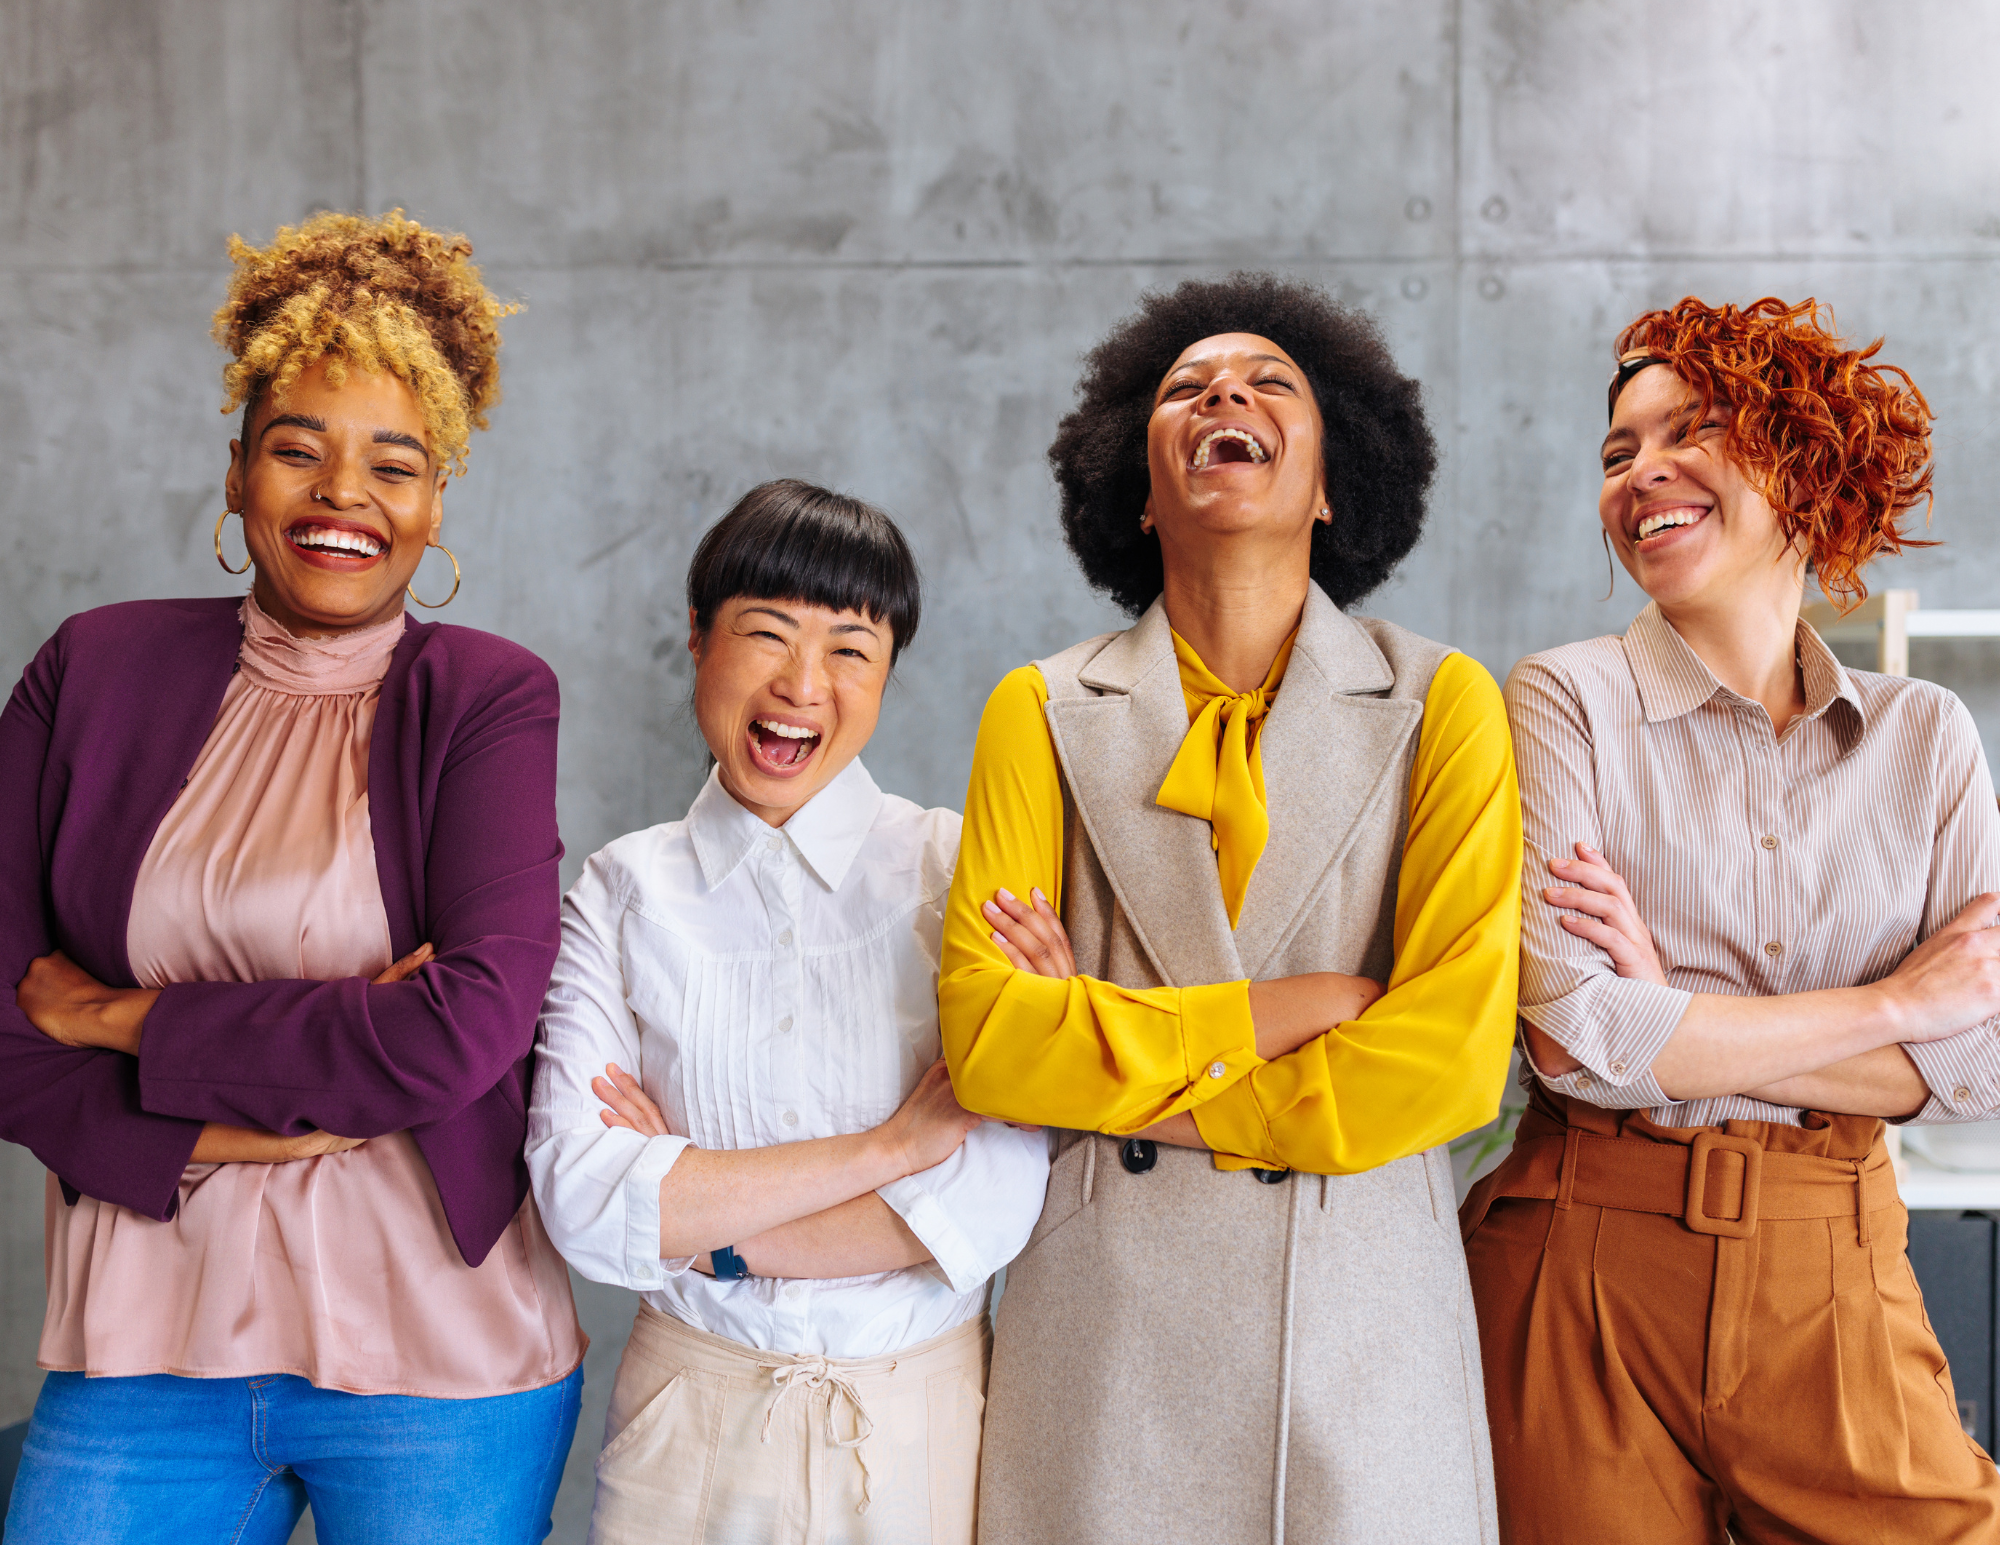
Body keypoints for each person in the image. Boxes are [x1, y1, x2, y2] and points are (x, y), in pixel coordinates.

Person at [0, 211, 584, 1543]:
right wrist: (269, 1115)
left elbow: (463, 1034)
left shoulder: (488, 699)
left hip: (440, 1355)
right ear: (236, 471)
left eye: (395, 463)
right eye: (297, 450)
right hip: (140, 1346)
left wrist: (120, 1017)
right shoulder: (87, 671)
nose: (343, 499)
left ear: (437, 499)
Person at [938, 273, 1522, 1545]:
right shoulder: (1035, 711)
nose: (1223, 394)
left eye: (1269, 382)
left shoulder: (1443, 705)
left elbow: (1452, 1060)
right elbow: (988, 1044)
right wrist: (1292, 1011)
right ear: (1137, 493)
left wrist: (1107, 1043)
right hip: (1105, 1337)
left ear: (1329, 483)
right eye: (1184, 386)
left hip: (1363, 1323)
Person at [1462, 296, 2000, 1543]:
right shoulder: (1562, 698)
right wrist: (1890, 1009)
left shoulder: (1924, 739)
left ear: (1801, 463)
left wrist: (1681, 1022)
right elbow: (1569, 1040)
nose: (1639, 471)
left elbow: (1974, 1066)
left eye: (1686, 430)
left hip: (1837, 1275)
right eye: (1615, 452)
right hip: (1579, 1270)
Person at [527, 479, 1050, 1545]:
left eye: (850, 649)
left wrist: (704, 1227)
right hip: (689, 1420)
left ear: (889, 668)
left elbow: (988, 1201)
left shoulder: (959, 870)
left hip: (928, 1426)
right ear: (695, 638)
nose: (802, 684)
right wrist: (892, 1145)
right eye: (766, 634)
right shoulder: (622, 891)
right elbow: (584, 1202)